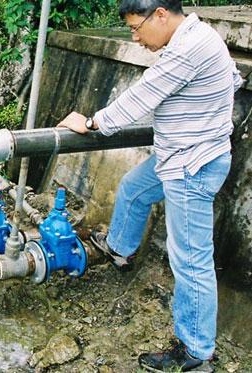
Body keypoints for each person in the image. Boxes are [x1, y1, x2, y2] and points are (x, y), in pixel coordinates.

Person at [56, 1, 243, 371]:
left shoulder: (188, 49)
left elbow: (141, 97)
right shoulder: (198, 36)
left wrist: (92, 123)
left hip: (191, 165)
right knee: (133, 187)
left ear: (160, 14)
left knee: (190, 261)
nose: (135, 37)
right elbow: (234, 79)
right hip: (183, 153)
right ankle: (120, 249)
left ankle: (196, 353)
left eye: (136, 28)